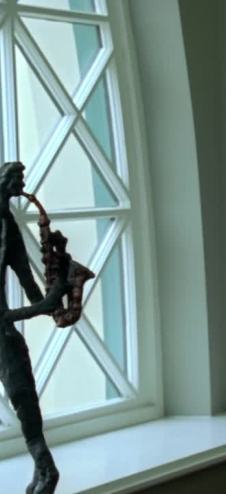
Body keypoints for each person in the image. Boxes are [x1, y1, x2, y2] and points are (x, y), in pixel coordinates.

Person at [0, 162, 70, 494]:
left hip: (4, 332)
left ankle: (45, 470)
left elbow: (29, 287)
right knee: (24, 401)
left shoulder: (9, 226)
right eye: (17, 179)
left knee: (25, 401)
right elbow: (34, 302)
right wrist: (53, 298)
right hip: (3, 332)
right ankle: (47, 470)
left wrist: (59, 270)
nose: (22, 185)